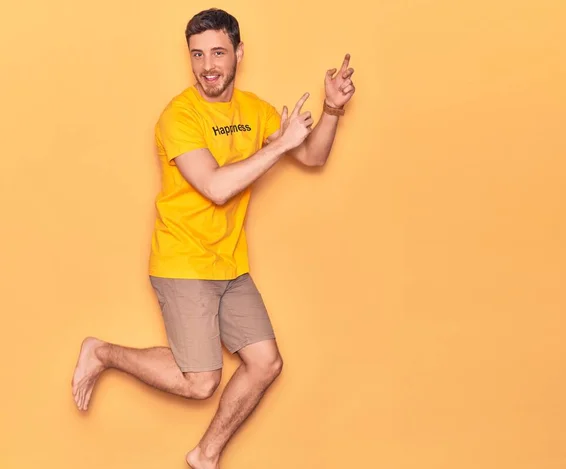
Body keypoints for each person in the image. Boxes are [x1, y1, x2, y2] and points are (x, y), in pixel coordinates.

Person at [71, 7, 355, 469]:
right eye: (198, 55)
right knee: (201, 382)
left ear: (239, 53)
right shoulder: (178, 116)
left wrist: (332, 109)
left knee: (266, 363)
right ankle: (101, 351)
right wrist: (279, 145)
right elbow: (217, 188)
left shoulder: (254, 110)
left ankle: (205, 455)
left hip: (230, 264)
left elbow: (314, 157)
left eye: (218, 53)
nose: (208, 66)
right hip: (183, 260)